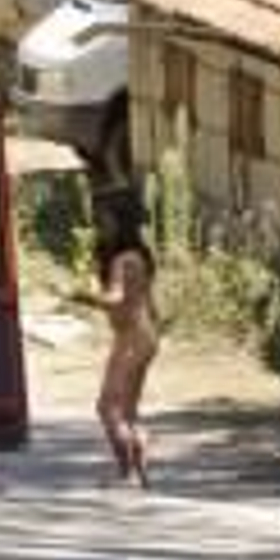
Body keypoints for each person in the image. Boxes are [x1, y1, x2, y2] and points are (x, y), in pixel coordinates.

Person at [77, 192, 160, 488]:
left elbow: (115, 298)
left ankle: (128, 473)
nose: (101, 226)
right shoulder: (140, 255)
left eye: (105, 220)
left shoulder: (122, 259)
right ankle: (140, 469)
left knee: (107, 407)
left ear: (120, 223)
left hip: (131, 338)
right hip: (146, 335)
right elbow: (149, 302)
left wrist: (86, 297)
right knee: (128, 409)